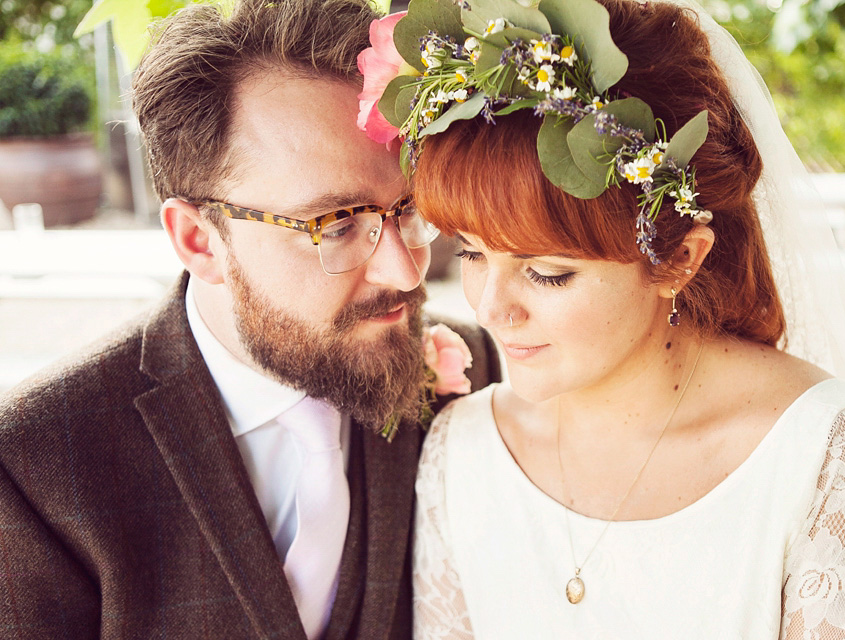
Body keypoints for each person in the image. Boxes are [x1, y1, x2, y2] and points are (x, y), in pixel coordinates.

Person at [354, 0, 845, 636]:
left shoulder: (821, 455)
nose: (491, 308)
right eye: (470, 253)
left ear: (677, 260)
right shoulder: (460, 452)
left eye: (549, 272)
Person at [0, 1, 500, 638]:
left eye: (408, 209)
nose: (406, 274)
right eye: (337, 223)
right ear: (200, 240)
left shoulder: (475, 371)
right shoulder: (35, 469)